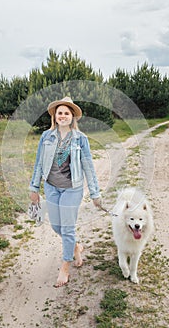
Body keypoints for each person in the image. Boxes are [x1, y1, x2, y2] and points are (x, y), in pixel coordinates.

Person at [29, 96, 101, 287]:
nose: (63, 116)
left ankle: (65, 267)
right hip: (51, 187)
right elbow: (38, 163)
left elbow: (89, 167)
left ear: (72, 117)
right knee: (56, 227)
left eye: (66, 113)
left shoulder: (81, 139)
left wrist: (95, 193)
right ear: (55, 116)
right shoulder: (46, 137)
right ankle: (76, 246)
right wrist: (34, 187)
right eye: (59, 113)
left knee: (67, 228)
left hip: (72, 189)